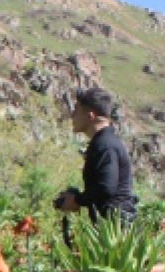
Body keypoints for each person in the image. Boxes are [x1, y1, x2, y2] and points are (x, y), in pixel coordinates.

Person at [54, 86, 137, 225]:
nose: (72, 115)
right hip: (114, 223)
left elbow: (106, 187)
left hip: (116, 229)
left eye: (76, 110)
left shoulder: (105, 145)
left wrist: (77, 200)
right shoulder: (104, 142)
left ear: (90, 115)